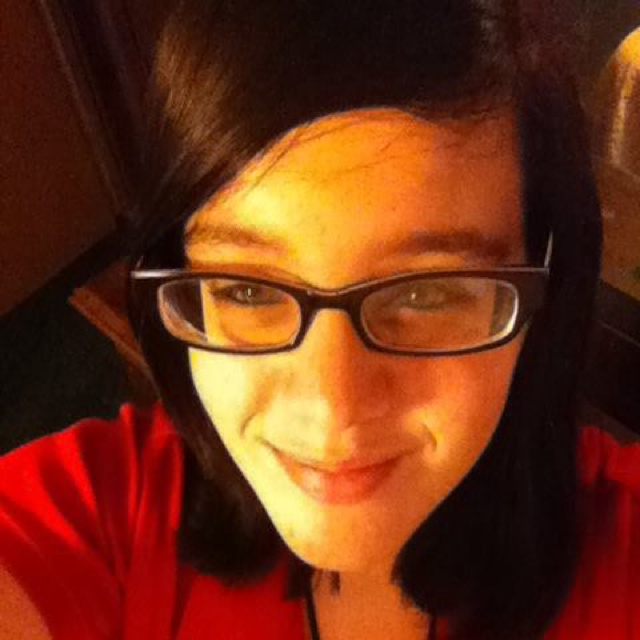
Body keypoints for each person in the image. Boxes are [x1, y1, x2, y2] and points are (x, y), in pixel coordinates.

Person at [1, 1, 639, 639]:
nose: (333, 408)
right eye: (247, 291)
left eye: (426, 295)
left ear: (546, 284)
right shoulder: (102, 512)